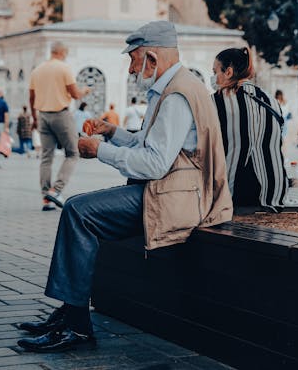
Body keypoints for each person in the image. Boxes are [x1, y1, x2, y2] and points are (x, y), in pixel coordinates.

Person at [17, 21, 232, 353]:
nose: (131, 69)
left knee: (78, 211)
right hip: (169, 191)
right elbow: (147, 144)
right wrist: (110, 132)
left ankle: (75, 324)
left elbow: (155, 163)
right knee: (80, 210)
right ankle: (70, 313)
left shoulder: (177, 95)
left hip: (179, 199)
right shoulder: (177, 86)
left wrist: (98, 150)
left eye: (133, 60)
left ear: (151, 58)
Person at [212, 47, 288, 211]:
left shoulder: (215, 102)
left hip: (231, 195)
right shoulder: (271, 101)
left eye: (215, 71)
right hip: (273, 194)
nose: (214, 78)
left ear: (229, 72)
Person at [29, 41, 90, 211]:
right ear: (62, 52)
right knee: (73, 152)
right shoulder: (63, 68)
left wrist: (34, 118)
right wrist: (84, 90)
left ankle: (46, 199)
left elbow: (31, 98)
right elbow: (75, 94)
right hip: (61, 115)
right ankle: (56, 190)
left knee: (46, 157)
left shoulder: (37, 70)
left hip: (42, 116)